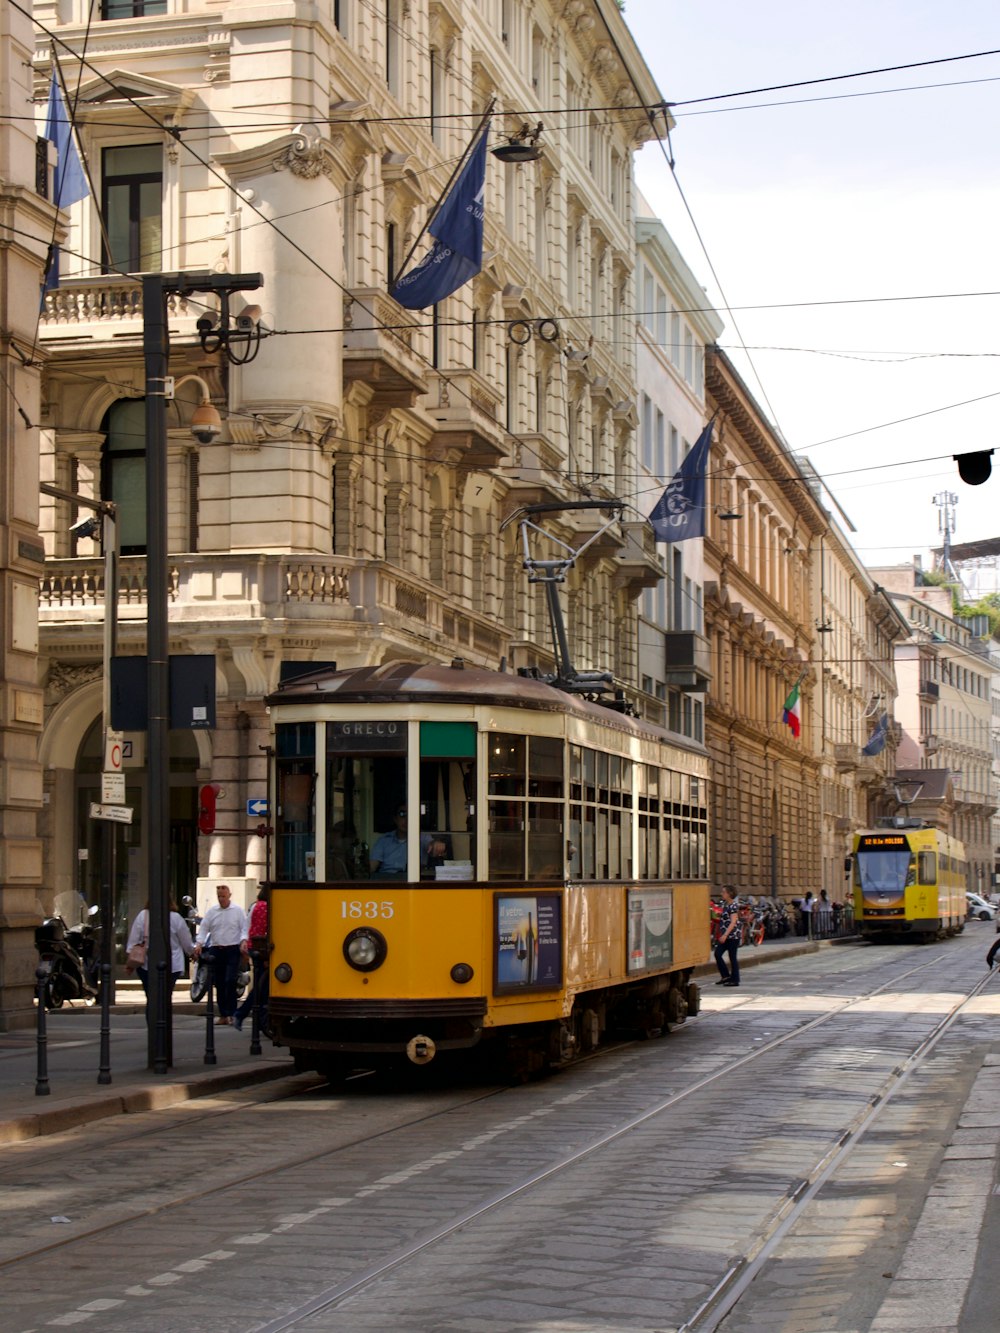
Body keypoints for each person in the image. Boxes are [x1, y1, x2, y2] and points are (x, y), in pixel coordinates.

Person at [192, 884, 249, 1025]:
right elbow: (204, 928)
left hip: (232, 949)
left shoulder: (237, 911)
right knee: (219, 982)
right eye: (219, 896)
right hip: (216, 949)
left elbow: (244, 928)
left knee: (230, 980)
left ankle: (232, 1012)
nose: (221, 899)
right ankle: (224, 1014)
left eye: (223, 896)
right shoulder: (212, 912)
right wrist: (199, 944)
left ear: (229, 895)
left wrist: (243, 941)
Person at [124, 898, 195, 1002]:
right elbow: (186, 941)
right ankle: (163, 1015)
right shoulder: (176, 918)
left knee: (151, 997)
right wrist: (192, 953)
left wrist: (130, 962)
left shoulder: (143, 915)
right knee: (165, 996)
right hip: (172, 964)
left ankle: (152, 1016)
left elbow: (133, 940)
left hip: (146, 964)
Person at [369, 807, 446, 876]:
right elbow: (372, 866)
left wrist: (436, 845)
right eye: (402, 814)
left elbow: (431, 845)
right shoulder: (383, 840)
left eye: (410, 815)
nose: (407, 820)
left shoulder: (422, 837)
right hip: (388, 882)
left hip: (414, 880)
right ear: (395, 819)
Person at [234, 886, 269, 1033]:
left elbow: (247, 927)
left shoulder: (255, 906)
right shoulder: (270, 907)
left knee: (262, 985)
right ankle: (244, 1014)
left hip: (254, 948)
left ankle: (259, 1020)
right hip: (265, 951)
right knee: (263, 986)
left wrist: (245, 942)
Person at [714, 885, 741, 988]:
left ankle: (735, 979)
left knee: (732, 957)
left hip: (732, 936)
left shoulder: (733, 906)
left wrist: (725, 935)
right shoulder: (726, 905)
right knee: (717, 953)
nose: (722, 894)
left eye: (724, 892)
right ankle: (725, 976)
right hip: (726, 936)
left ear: (729, 894)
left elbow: (733, 921)